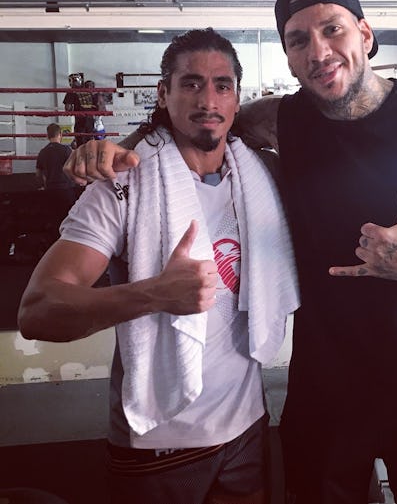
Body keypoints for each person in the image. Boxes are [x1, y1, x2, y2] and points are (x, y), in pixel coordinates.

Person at [63, 0, 397, 504]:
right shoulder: (281, 120)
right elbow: (198, 120)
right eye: (299, 40)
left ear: (365, 34)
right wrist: (112, 151)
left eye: (333, 30)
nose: (319, 51)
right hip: (326, 389)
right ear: (288, 57)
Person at [19, 29, 299, 504]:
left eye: (222, 85)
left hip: (247, 426)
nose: (208, 100)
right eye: (191, 84)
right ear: (163, 94)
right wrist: (154, 294)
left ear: (237, 99)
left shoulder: (261, 176)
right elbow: (38, 311)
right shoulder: (121, 187)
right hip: (158, 441)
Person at [35, 123, 78, 241]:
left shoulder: (43, 152)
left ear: (47, 135)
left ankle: (54, 245)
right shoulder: (66, 150)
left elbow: (38, 173)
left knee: (54, 220)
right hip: (66, 190)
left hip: (50, 190)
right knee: (69, 220)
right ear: (60, 134)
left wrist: (42, 185)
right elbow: (74, 168)